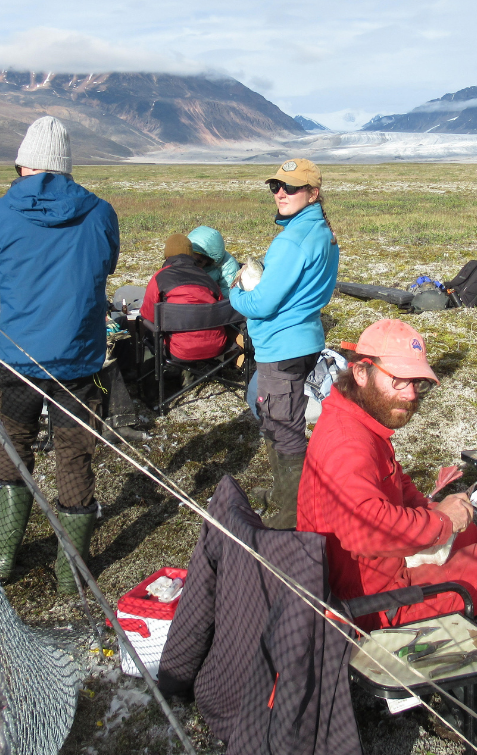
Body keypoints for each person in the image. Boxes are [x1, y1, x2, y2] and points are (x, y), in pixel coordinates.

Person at [298, 321, 477, 742]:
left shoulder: (354, 419)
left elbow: (392, 483)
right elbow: (366, 530)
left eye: (417, 383)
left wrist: (430, 508)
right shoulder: (347, 442)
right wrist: (442, 521)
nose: (411, 394)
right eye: (398, 380)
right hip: (374, 606)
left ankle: (473, 642)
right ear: (361, 371)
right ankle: (466, 703)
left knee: (470, 538)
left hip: (369, 574)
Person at [0, 115, 121, 591]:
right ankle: (70, 574)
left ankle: (1, 558)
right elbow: (104, 269)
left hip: (19, 356)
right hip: (78, 359)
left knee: (11, 445)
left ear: (24, 164)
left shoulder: (2, 212)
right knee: (74, 455)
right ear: (65, 166)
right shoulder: (100, 213)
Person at [225, 158, 340, 528]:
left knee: (282, 426)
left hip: (281, 346)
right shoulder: (323, 232)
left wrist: (234, 295)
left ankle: (292, 514)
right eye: (276, 186)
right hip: (304, 339)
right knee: (282, 419)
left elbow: (262, 303)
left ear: (313, 193)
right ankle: (283, 495)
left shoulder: (292, 239)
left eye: (290, 187)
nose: (280, 193)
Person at [139, 232, 231, 363]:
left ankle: (151, 373)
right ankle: (193, 372)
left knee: (146, 325)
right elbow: (222, 312)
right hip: (215, 347)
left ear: (167, 255)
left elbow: (148, 315)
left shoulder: (160, 277)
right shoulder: (208, 278)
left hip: (178, 350)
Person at [186, 225, 242, 293]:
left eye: (198, 261)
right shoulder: (182, 259)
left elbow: (229, 294)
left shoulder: (228, 266)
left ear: (208, 259)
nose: (193, 263)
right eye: (191, 256)